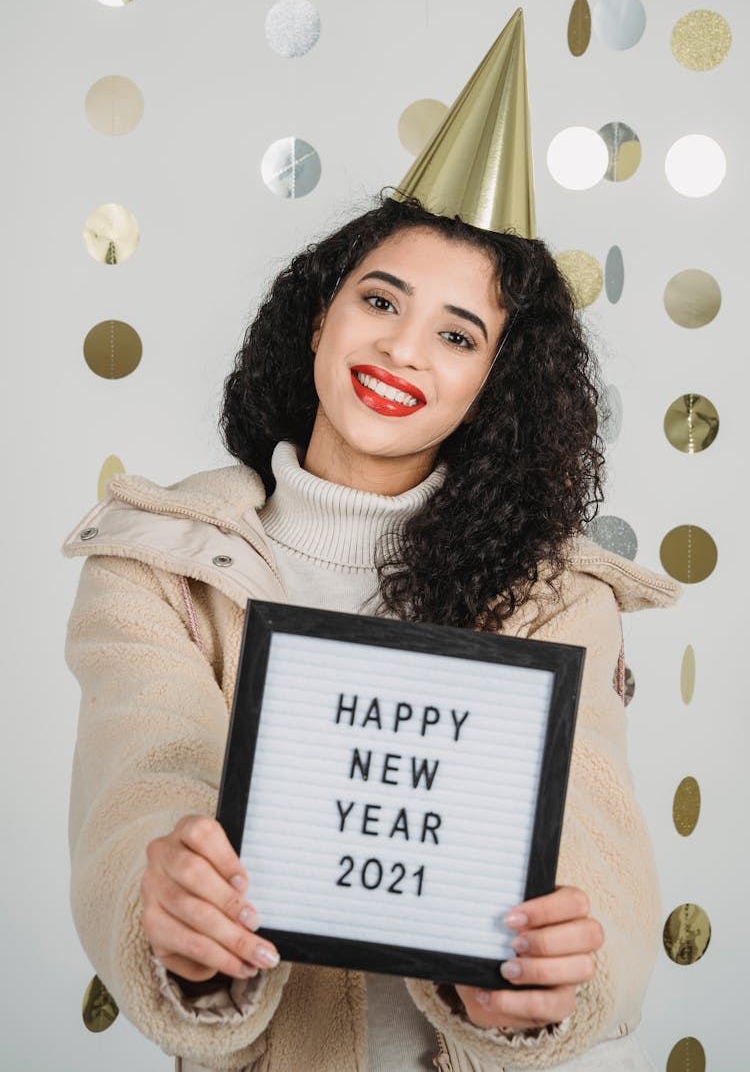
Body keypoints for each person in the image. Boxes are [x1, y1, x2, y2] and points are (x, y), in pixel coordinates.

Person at [64, 194, 679, 1071]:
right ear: (320, 318)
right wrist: (166, 907)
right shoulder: (159, 560)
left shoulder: (555, 598)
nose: (400, 348)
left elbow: (592, 832)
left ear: (492, 386)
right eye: (381, 302)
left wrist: (560, 969)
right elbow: (145, 777)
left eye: (458, 336)